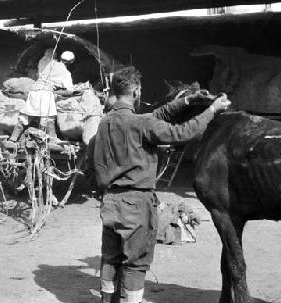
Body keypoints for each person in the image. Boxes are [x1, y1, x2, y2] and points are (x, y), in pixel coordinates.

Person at [91, 67, 231, 303]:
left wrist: (186, 101)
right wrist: (212, 110)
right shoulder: (140, 124)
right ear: (136, 91)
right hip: (136, 204)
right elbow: (182, 132)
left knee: (111, 258)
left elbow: (155, 115)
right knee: (135, 263)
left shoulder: (105, 122)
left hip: (110, 202)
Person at [7, 50, 76, 145]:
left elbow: (41, 72)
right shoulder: (66, 73)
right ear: (71, 62)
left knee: (26, 115)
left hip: (34, 90)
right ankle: (53, 139)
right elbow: (70, 91)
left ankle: (13, 138)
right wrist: (62, 92)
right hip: (46, 92)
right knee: (48, 117)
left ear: (60, 58)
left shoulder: (51, 63)